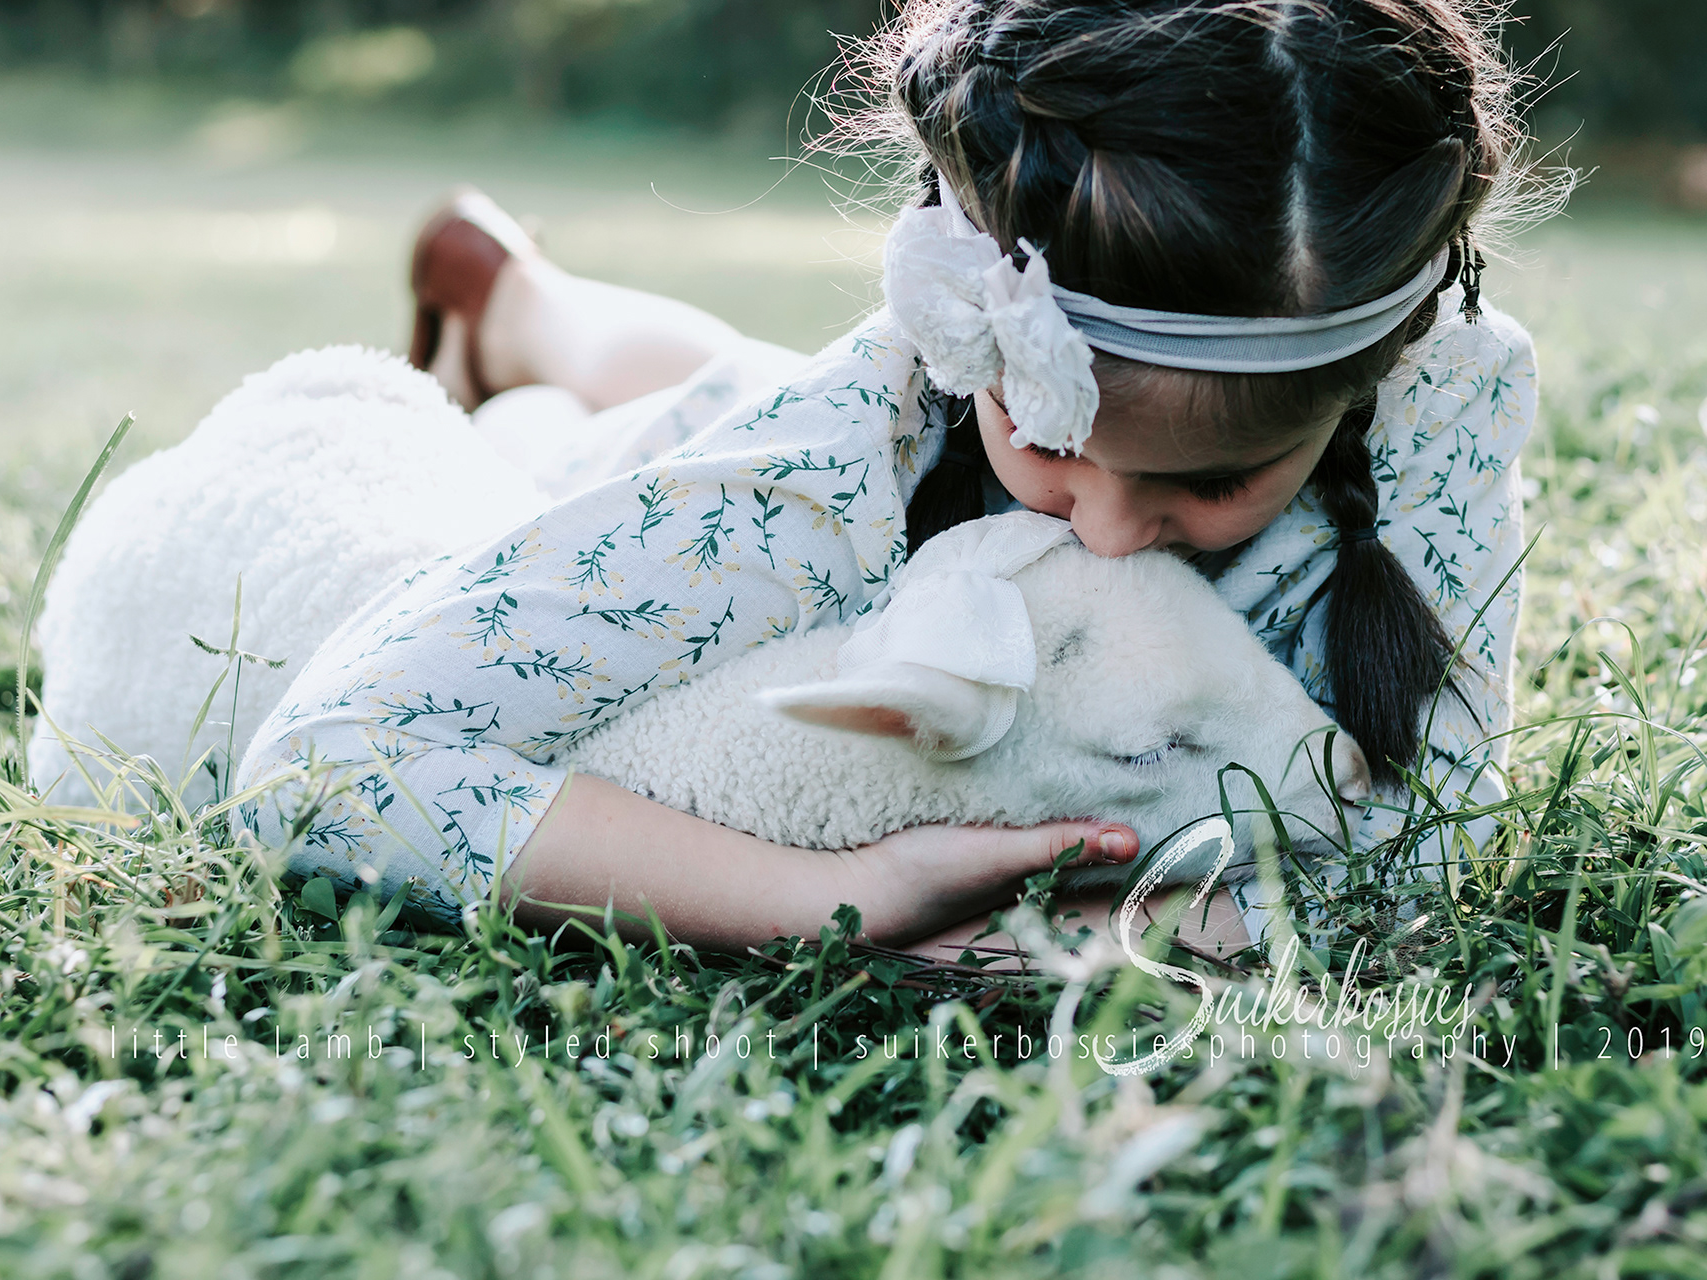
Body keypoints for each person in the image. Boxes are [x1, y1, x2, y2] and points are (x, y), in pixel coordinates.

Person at [237, 0, 1548, 967]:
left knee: (716, 367)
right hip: (669, 449)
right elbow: (326, 766)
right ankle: (524, 313)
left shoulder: (1443, 394)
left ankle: (524, 312)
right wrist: (831, 902)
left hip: (762, 396)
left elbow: (1432, 842)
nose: (1104, 532)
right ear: (958, 319)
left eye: (1215, 483)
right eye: (1048, 440)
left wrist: (1077, 943)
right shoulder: (814, 477)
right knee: (650, 411)